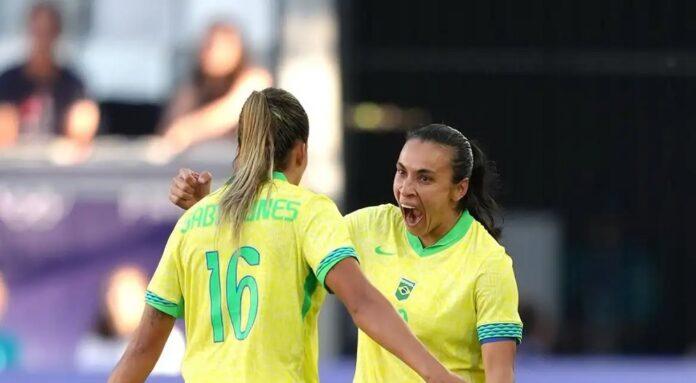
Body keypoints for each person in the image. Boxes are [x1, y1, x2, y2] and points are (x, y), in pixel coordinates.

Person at [110, 88, 463, 383]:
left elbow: (142, 349)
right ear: (300, 152)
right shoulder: (308, 211)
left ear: (241, 149)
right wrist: (436, 374)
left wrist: (205, 206)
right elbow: (362, 303)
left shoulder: (195, 221)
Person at [170, 124, 523, 383]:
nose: (406, 189)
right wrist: (208, 207)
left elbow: (500, 375)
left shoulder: (487, 264)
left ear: (459, 189)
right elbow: (280, 239)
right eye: (401, 173)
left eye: (425, 179)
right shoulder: (369, 227)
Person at [150, 22, 271, 160]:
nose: (209, 52)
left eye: (218, 46)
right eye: (206, 45)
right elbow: (171, 130)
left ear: (238, 50)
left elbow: (229, 113)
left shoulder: (256, 79)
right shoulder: (194, 87)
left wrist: (188, 130)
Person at [0, 2, 99, 154]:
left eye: (48, 31)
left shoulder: (73, 84)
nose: (43, 39)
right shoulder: (8, 80)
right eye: (38, 31)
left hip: (58, 171)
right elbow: (4, 134)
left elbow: (81, 132)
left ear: (57, 34)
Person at [75, 264, 184, 375]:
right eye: (112, 299)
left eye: (124, 298)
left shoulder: (169, 342)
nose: (115, 307)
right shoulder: (92, 348)